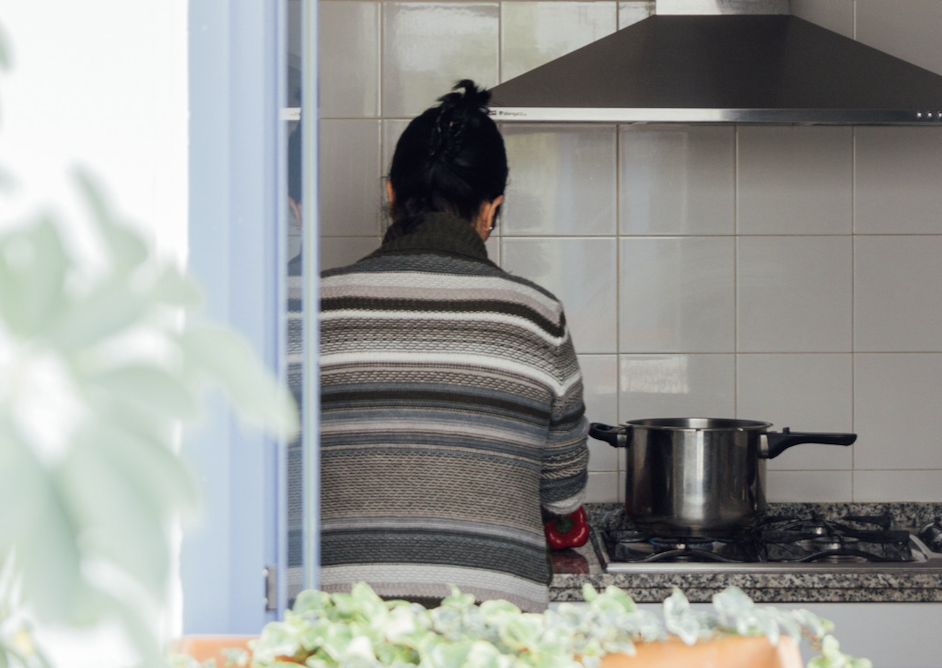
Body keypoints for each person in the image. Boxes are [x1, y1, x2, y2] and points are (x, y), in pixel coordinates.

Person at [318, 80, 589, 611]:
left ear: (392, 194)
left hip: (333, 630)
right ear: (493, 209)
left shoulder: (306, 307)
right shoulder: (538, 318)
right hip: (491, 633)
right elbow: (564, 497)